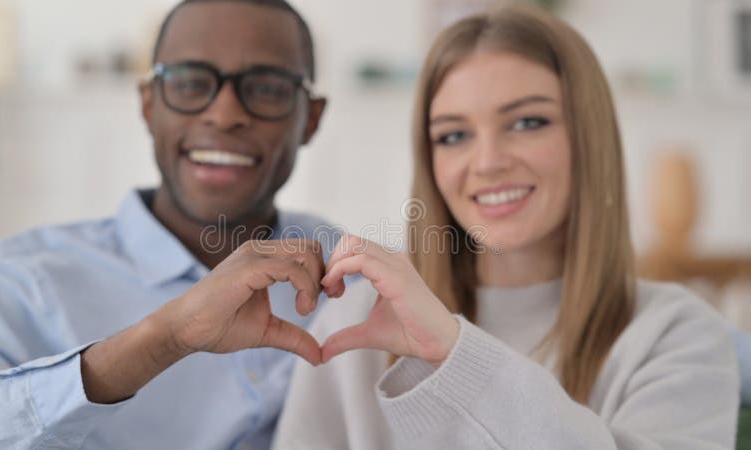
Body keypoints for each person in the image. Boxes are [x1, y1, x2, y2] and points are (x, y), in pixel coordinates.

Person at [273, 5, 739, 450]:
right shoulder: (356, 323)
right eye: (453, 135)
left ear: (588, 137)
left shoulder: (676, 336)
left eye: (527, 122)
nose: (489, 161)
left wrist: (454, 352)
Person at [0, 0, 336, 448]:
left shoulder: (348, 275)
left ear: (310, 118)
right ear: (149, 105)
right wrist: (164, 338)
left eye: (267, 88)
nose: (226, 114)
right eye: (191, 82)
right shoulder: (16, 279)